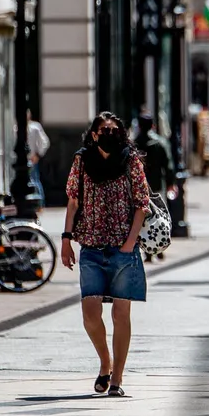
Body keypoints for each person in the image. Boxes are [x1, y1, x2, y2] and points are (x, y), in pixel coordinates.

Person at [60, 112, 152, 398]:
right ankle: (105, 362)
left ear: (121, 133)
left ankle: (117, 379)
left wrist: (129, 243)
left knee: (121, 313)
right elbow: (73, 200)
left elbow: (142, 203)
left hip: (122, 247)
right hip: (90, 244)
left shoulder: (130, 160)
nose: (108, 134)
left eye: (114, 129)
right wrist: (65, 239)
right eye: (103, 130)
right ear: (94, 134)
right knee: (90, 314)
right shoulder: (82, 160)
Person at [134, 113, 175, 263]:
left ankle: (148, 251)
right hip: (157, 186)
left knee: (143, 219)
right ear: (153, 125)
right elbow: (168, 165)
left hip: (140, 187)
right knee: (160, 217)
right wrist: (171, 182)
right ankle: (160, 248)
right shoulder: (160, 143)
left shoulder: (134, 143)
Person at [27, 109, 50, 204]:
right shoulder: (15, 127)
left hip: (32, 158)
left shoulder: (35, 127)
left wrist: (38, 154)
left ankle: (40, 203)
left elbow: (45, 142)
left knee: (35, 180)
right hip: (22, 159)